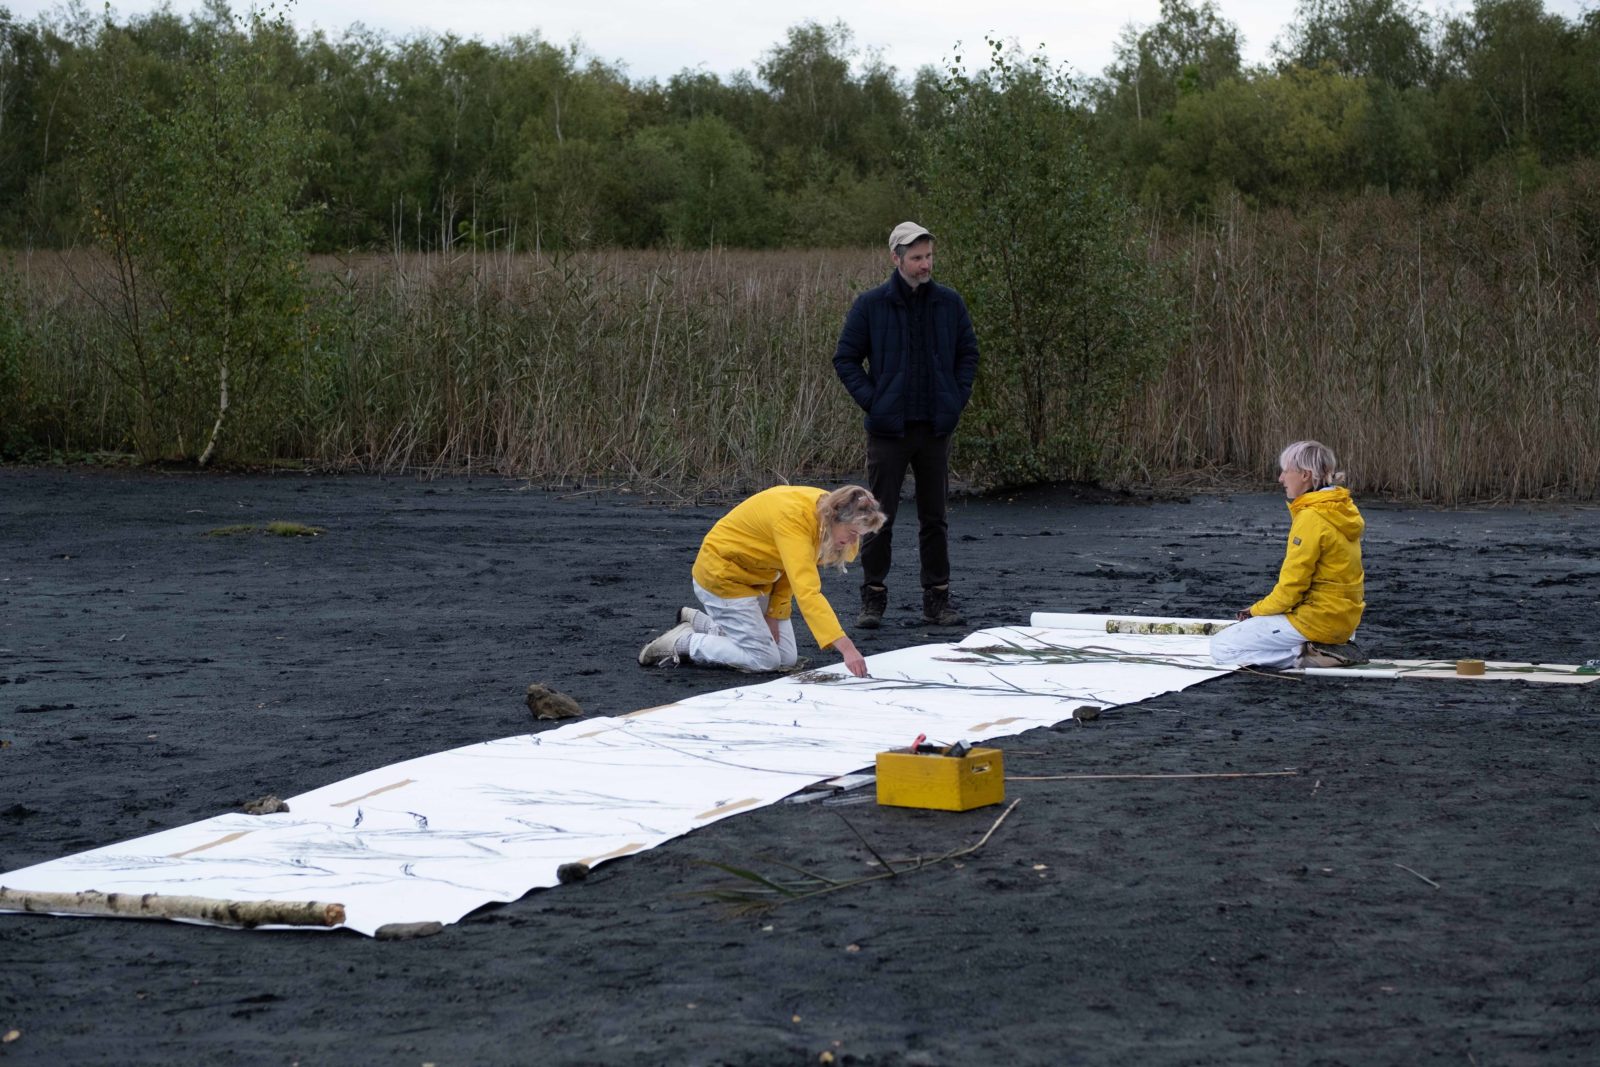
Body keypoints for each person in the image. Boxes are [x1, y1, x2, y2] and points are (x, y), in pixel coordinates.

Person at [833, 220, 980, 631]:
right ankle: (873, 600)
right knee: (877, 515)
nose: (925, 265)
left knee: (935, 517)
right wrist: (874, 401)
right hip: (888, 431)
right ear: (896, 258)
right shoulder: (871, 305)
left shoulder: (949, 304)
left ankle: (938, 601)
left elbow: (968, 353)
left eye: (929, 256)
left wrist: (955, 399)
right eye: (916, 258)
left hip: (934, 428)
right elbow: (846, 358)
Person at [638, 485, 886, 678]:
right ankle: (682, 643)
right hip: (723, 577)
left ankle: (707, 624)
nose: (854, 543)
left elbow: (791, 569)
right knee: (764, 660)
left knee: (786, 658)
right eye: (853, 534)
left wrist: (774, 611)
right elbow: (807, 591)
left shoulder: (827, 511)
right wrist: (846, 648)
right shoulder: (795, 518)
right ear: (837, 517)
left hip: (760, 578)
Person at [1210, 440, 1367, 670]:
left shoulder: (1311, 517)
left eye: (1286, 471)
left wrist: (1255, 611)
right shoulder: (1342, 509)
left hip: (1318, 620)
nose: (1281, 479)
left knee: (1222, 647)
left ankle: (1307, 656)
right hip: (1345, 621)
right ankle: (1322, 647)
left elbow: (1291, 589)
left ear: (1305, 475)